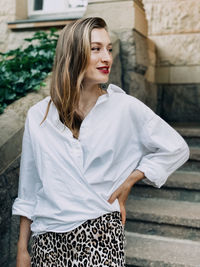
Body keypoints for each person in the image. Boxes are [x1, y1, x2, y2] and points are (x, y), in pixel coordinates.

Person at [12, 17, 190, 267]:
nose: (107, 57)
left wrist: (131, 180)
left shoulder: (124, 108)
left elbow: (176, 148)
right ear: (73, 54)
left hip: (101, 234)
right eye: (96, 49)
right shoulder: (38, 116)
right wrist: (22, 250)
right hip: (47, 240)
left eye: (109, 49)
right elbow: (29, 189)